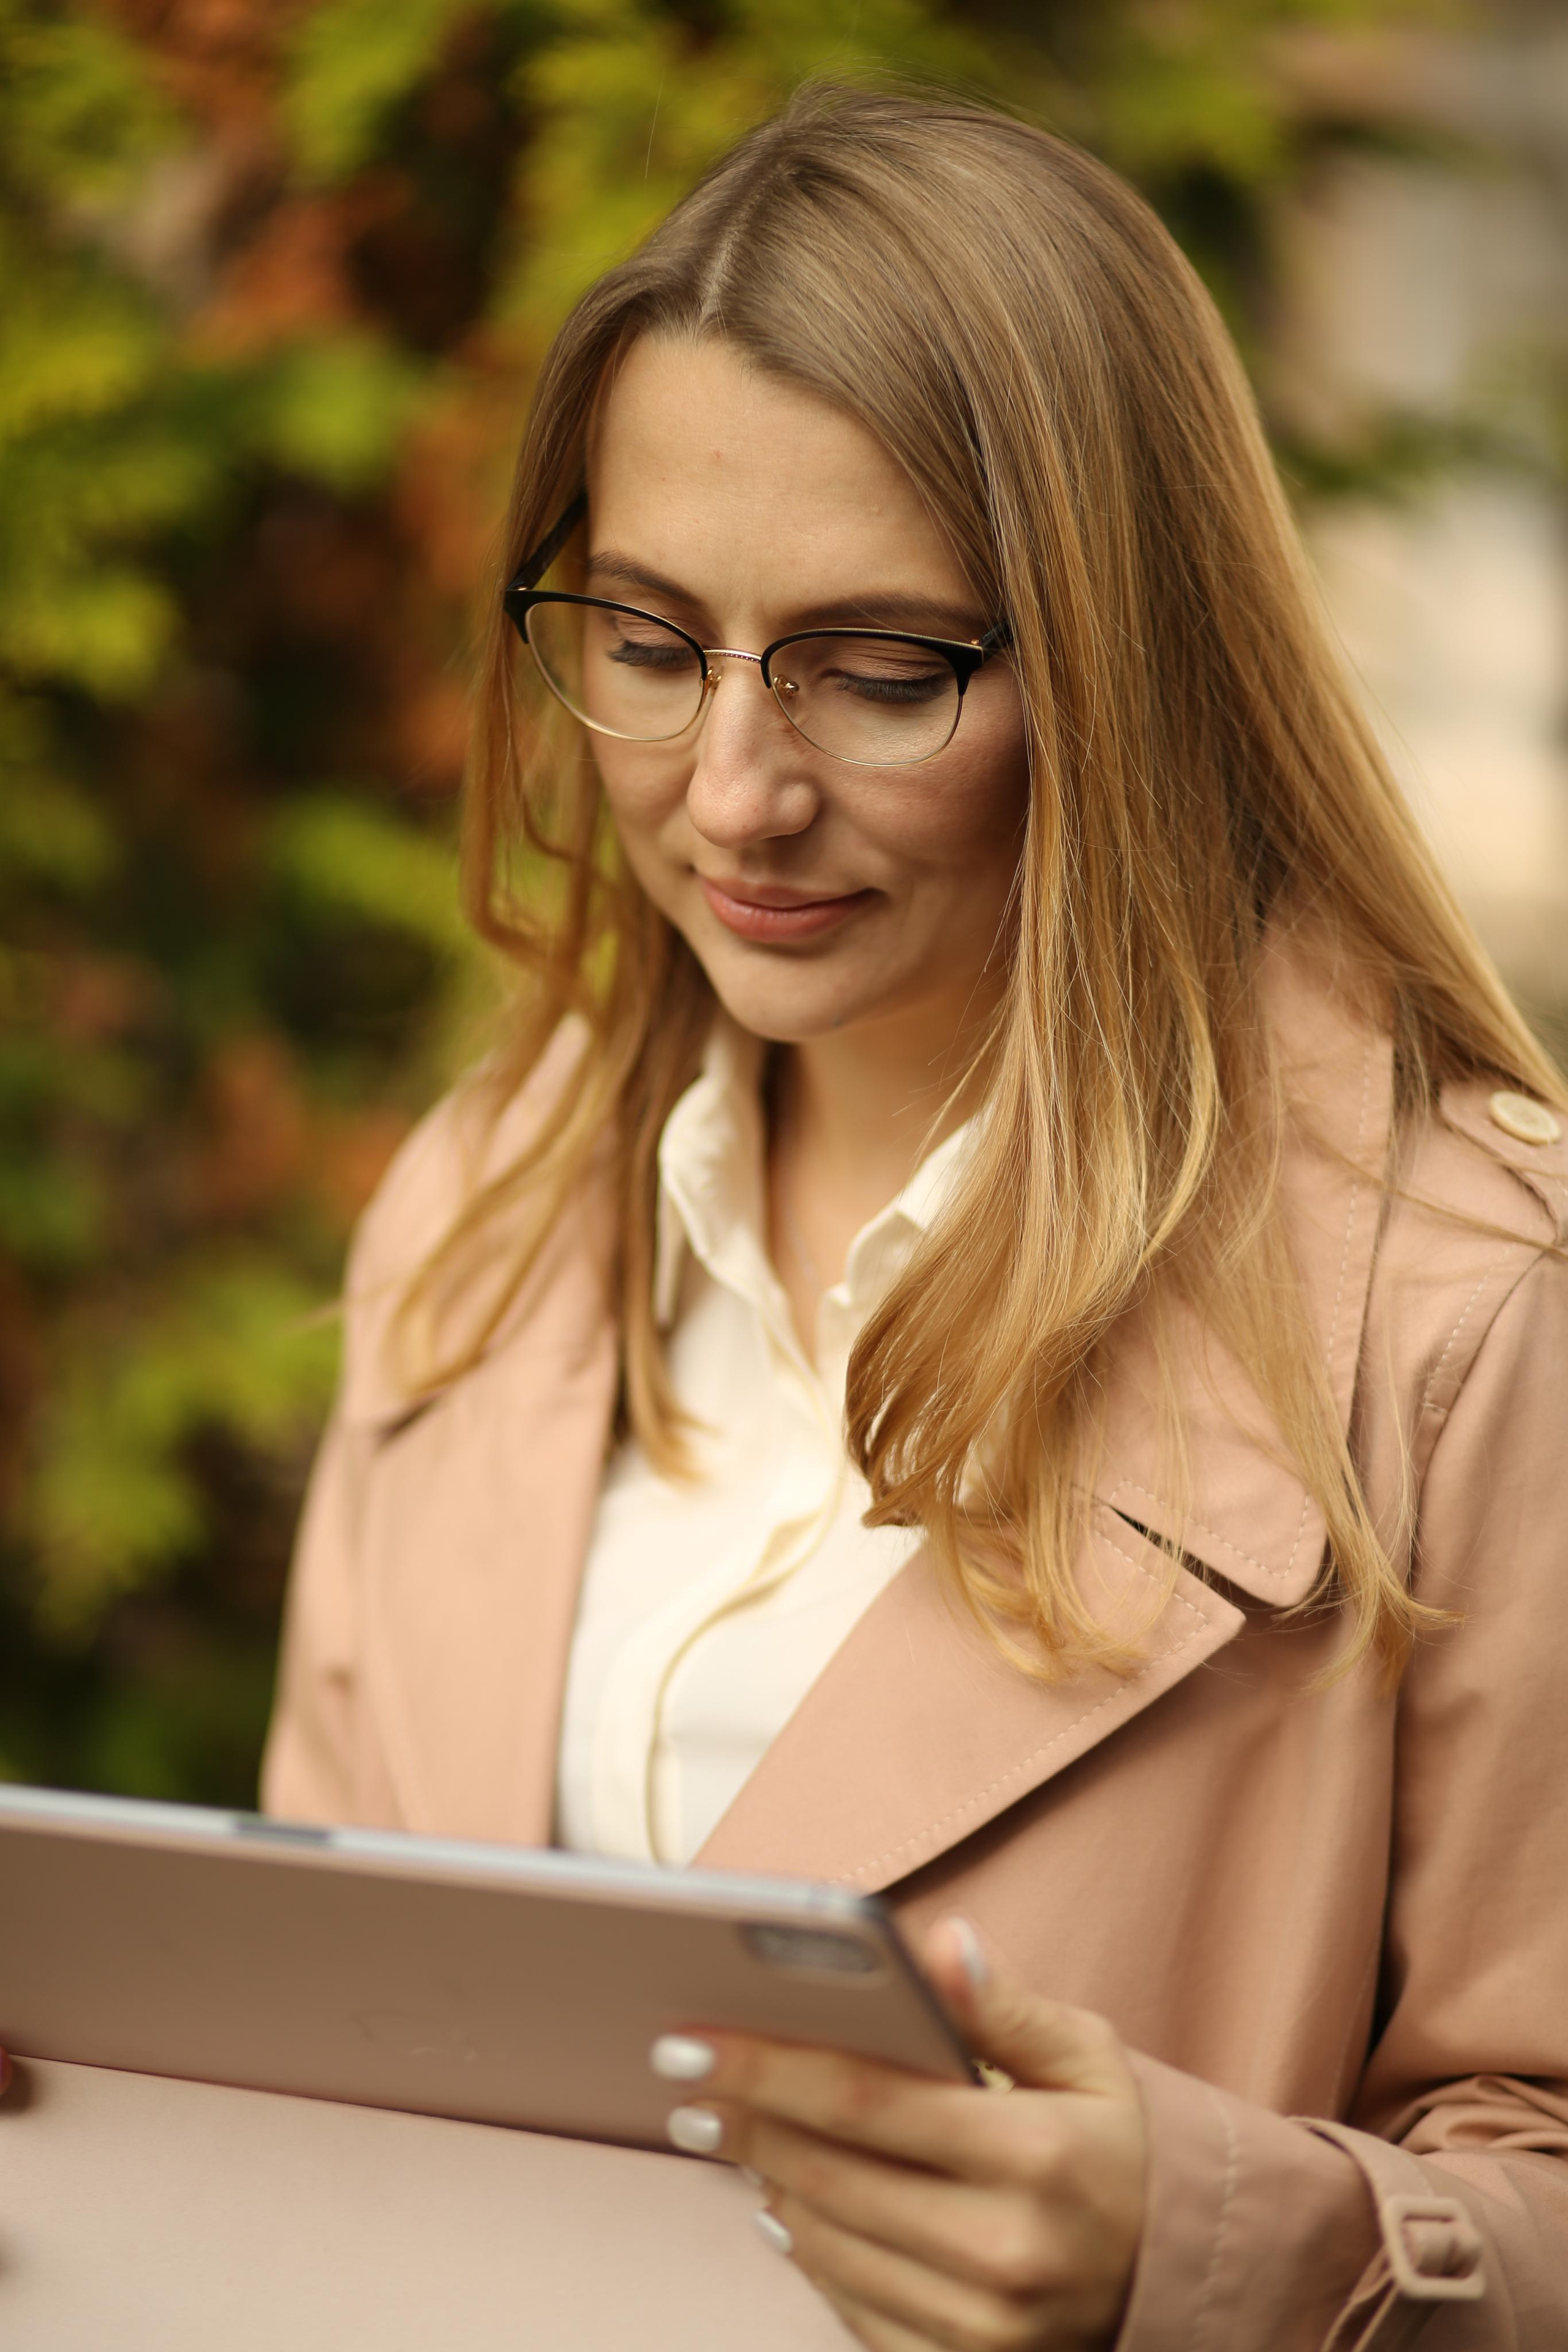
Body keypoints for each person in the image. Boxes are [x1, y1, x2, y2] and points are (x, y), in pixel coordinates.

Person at [260, 85, 1568, 2351]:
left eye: (882, 672)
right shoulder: (486, 1211)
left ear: (1124, 671)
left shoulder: (1469, 1306)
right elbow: (338, 2018)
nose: (737, 792)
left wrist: (1198, 2241)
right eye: (650, 643)